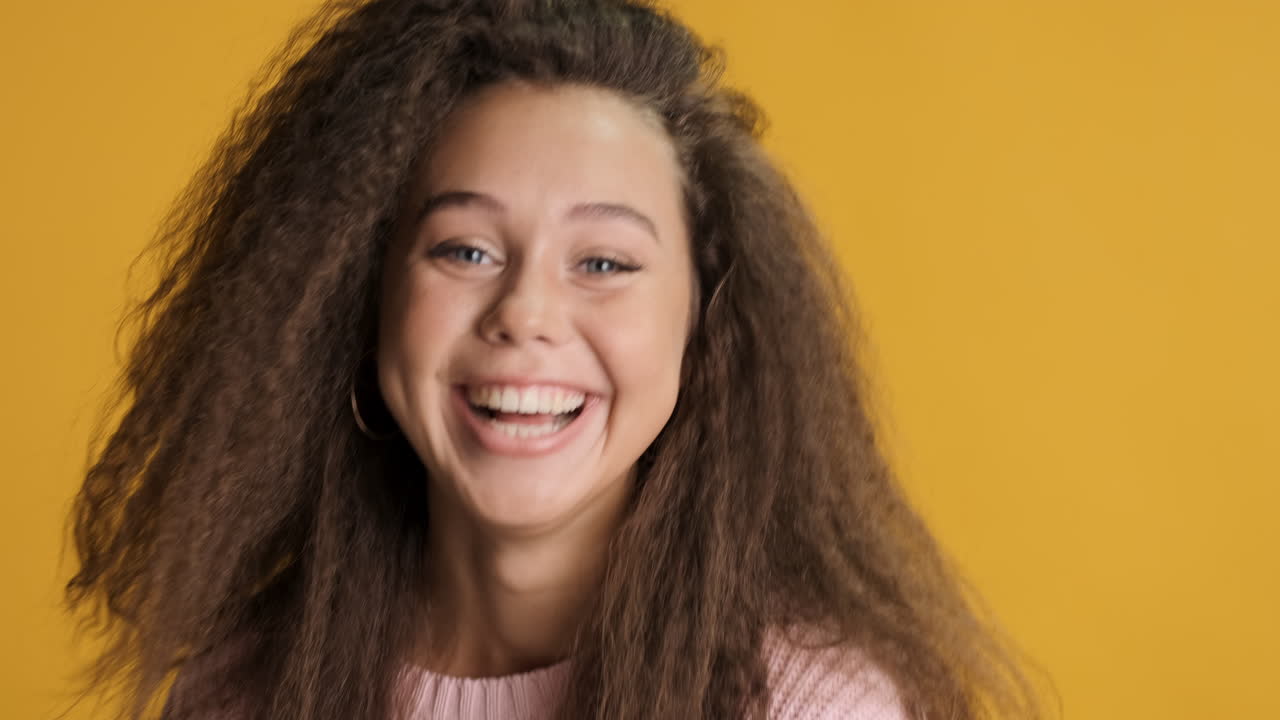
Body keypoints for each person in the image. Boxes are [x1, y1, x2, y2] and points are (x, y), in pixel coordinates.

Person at [66, 1, 1041, 718]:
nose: (525, 314)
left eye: (604, 262)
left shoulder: (806, 707)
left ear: (705, 336)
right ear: (357, 304)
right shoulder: (238, 691)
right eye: (464, 250)